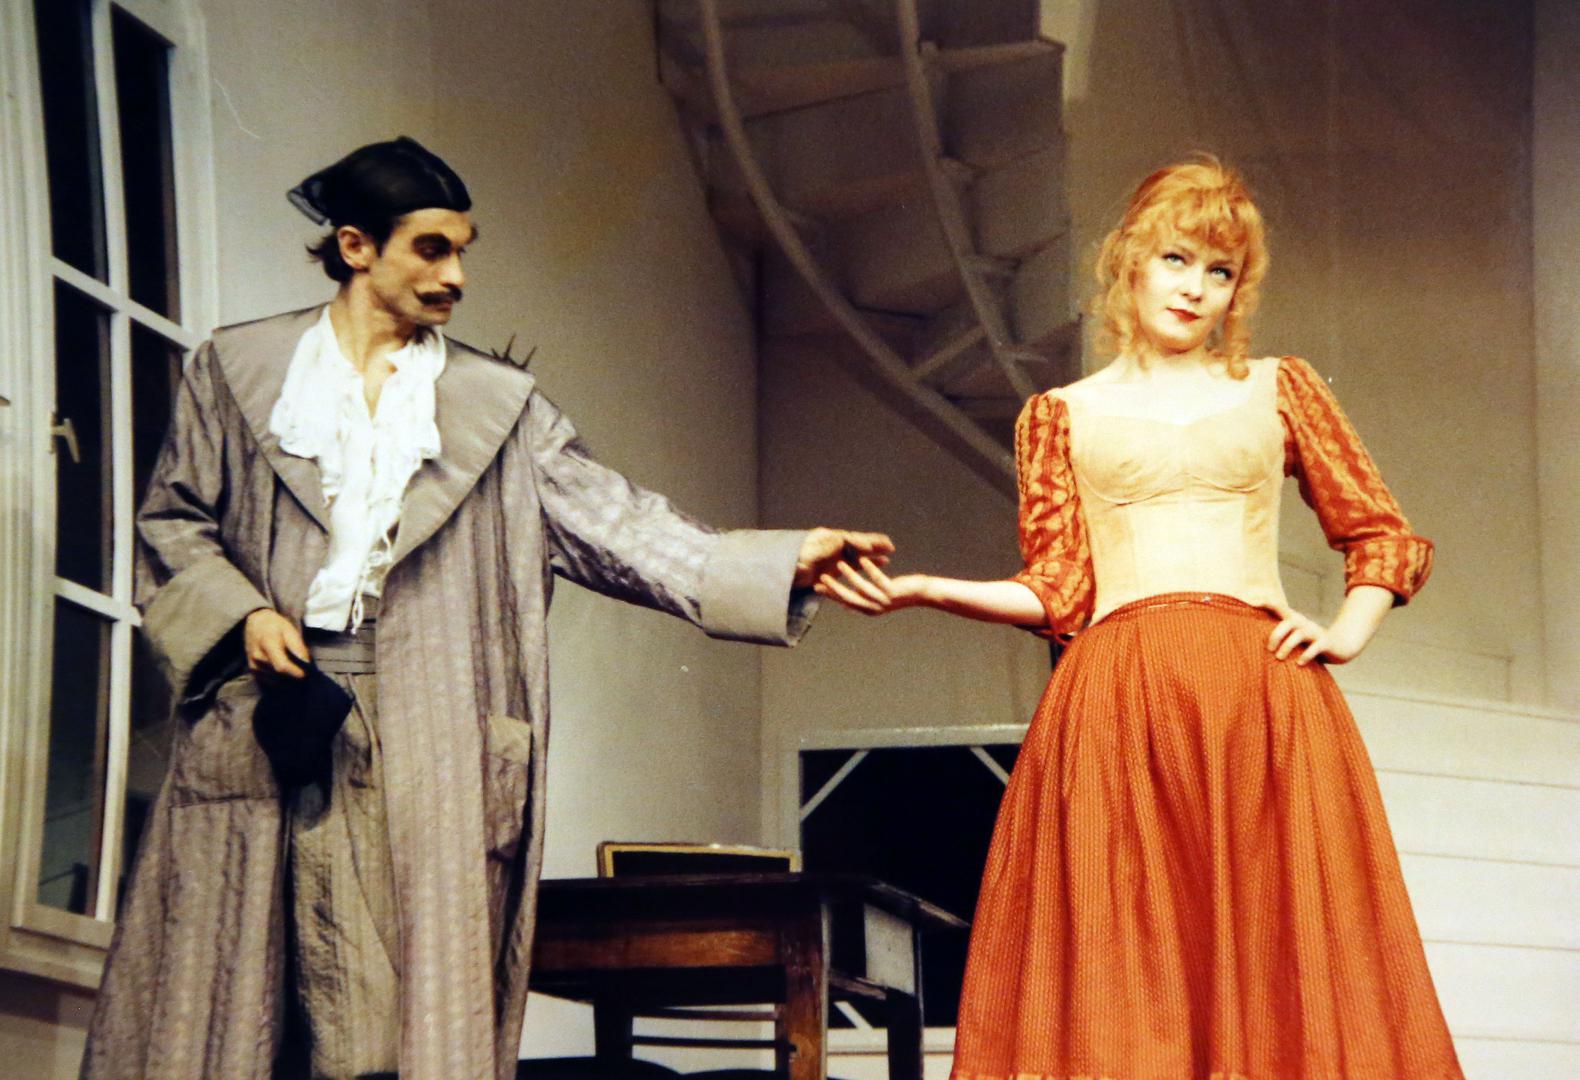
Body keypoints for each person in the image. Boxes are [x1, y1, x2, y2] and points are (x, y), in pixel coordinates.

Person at [80, 136, 893, 1080]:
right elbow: (172, 522)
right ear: (355, 246)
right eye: (431, 249)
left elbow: (618, 525)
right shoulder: (238, 371)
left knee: (400, 1030)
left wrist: (782, 558)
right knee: (234, 1011)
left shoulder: (497, 408)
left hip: (432, 733)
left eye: (463, 251)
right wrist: (242, 617)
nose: (456, 277)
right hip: (270, 719)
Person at [816, 158, 1463, 1076]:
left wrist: (1347, 632)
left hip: (1261, 701)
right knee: (1126, 957)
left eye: (1220, 271)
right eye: (1176, 259)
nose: (1195, 287)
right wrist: (927, 589)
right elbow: (1058, 592)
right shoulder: (1059, 415)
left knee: (1281, 959)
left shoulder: (1280, 387)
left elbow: (1380, 531)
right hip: (1119, 701)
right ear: (1129, 260)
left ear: (1238, 289)